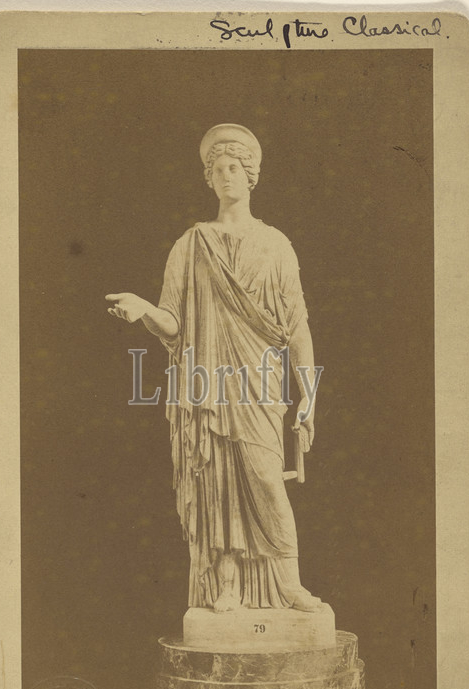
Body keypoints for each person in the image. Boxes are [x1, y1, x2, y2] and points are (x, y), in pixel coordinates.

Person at [106, 124, 321, 612]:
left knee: (267, 478)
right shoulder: (190, 245)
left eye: (235, 167)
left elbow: (298, 329)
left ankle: (289, 582)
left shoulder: (276, 245)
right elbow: (174, 324)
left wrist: (309, 398)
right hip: (209, 386)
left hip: (259, 384)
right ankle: (227, 584)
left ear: (251, 175)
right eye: (217, 169)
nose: (226, 175)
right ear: (208, 178)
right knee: (217, 482)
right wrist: (144, 310)